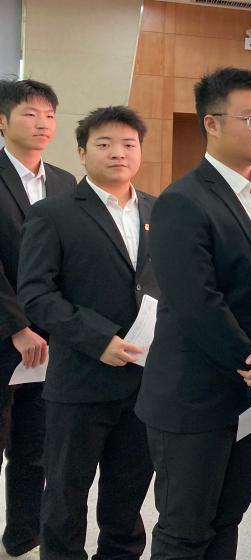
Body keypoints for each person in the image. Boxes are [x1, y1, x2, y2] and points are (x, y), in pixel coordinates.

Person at [135, 68, 251, 560]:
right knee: (185, 530)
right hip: (194, 397)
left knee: (227, 519)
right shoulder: (181, 201)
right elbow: (198, 304)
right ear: (211, 123)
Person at [19, 106, 157, 560]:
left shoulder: (161, 210)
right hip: (80, 380)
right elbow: (36, 295)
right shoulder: (53, 213)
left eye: (129, 144)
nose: (118, 152)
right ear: (81, 153)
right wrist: (99, 339)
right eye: (104, 144)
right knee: (65, 493)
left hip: (145, 381)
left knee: (129, 493)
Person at [0, 79, 76, 558]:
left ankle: (21, 537)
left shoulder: (66, 183)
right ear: (2, 121)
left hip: (51, 341)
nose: (43, 123)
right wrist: (16, 326)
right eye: (30, 113)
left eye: (49, 114)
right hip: (4, 335)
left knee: (35, 447)